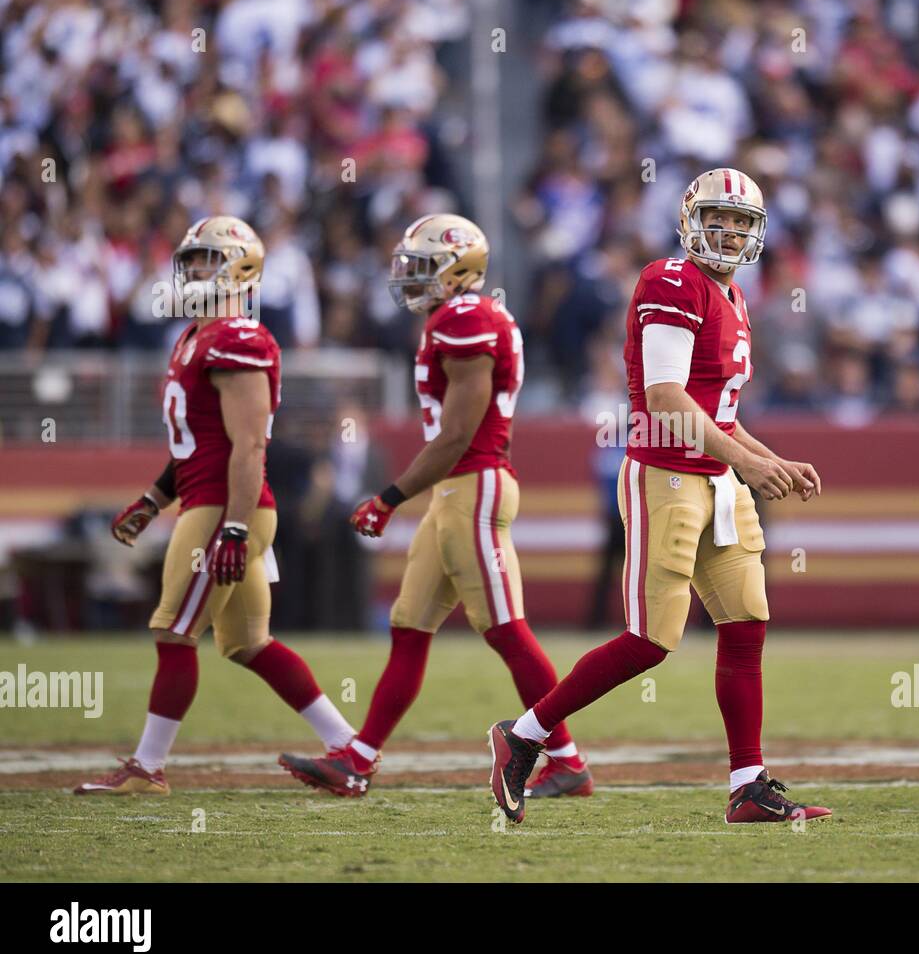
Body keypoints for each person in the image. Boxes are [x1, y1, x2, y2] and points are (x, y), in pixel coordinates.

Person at [487, 169, 831, 824]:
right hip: (666, 477)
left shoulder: (731, 295)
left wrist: (768, 460)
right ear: (689, 219)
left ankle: (747, 784)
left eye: (741, 221)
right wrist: (745, 466)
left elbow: (719, 413)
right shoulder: (672, 280)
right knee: (651, 639)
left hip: (716, 479)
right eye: (717, 217)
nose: (728, 231)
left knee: (745, 621)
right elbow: (665, 399)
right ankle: (524, 736)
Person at [278, 215, 591, 799]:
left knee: (506, 632)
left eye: (424, 266)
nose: (411, 277)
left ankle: (568, 760)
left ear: (460, 270)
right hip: (455, 493)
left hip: (473, 485)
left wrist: (389, 497)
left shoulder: (467, 318)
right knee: (408, 628)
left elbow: (455, 435)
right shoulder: (455, 318)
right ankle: (359, 760)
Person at [76, 217, 354, 795]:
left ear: (239, 268)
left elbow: (249, 444)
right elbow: (198, 444)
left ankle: (147, 768)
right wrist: (153, 500)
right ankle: (347, 747)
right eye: (191, 261)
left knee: (175, 632)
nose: (193, 272)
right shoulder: (193, 337)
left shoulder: (238, 338)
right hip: (213, 501)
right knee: (249, 644)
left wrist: (232, 527)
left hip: (225, 507)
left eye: (206, 260)